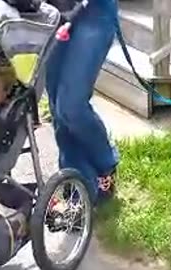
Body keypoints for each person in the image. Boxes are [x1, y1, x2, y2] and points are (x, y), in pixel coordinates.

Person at [45, 0, 119, 205]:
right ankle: (78, 182)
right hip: (45, 12)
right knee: (56, 104)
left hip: (92, 12)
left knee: (71, 106)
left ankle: (105, 164)